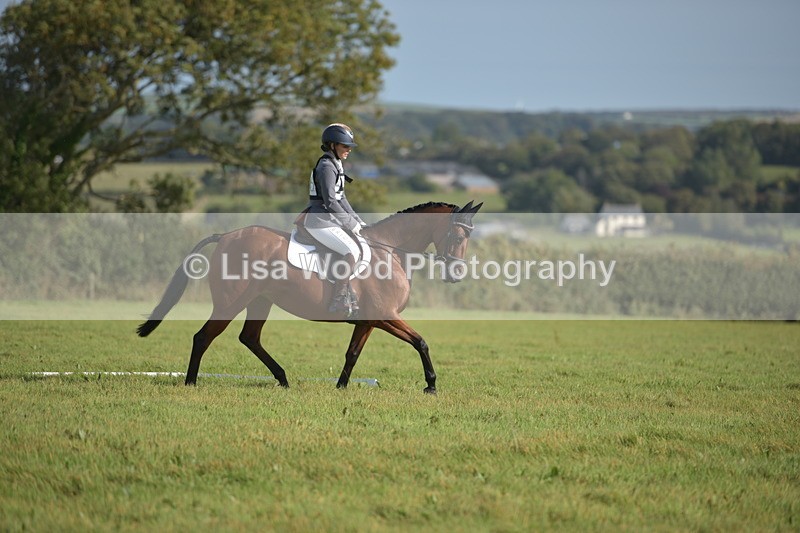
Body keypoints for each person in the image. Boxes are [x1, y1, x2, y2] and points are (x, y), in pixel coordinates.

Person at [303, 123, 367, 318]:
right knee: (351, 251)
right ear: (332, 145)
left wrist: (358, 221)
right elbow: (330, 201)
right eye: (344, 146)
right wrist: (350, 224)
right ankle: (338, 299)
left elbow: (342, 199)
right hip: (320, 221)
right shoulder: (326, 167)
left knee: (359, 245)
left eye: (349, 146)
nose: (348, 150)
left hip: (330, 220)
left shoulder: (335, 164)